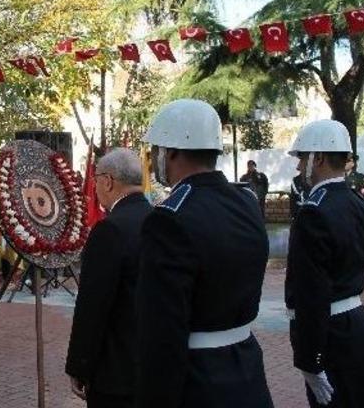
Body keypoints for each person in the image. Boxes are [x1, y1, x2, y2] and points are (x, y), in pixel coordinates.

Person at [136, 99, 273, 408]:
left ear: (170, 152)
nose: (154, 158)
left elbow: (161, 332)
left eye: (156, 149)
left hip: (198, 382)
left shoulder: (168, 219)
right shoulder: (247, 203)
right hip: (247, 369)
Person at [285, 119, 364, 407]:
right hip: (359, 327)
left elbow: (312, 293)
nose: (299, 166)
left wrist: (309, 359)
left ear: (319, 158)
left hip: (332, 335)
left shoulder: (313, 212)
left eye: (303, 158)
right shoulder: (359, 205)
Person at [66, 148, 151, 408]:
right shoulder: (161, 219)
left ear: (108, 181)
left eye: (96, 179)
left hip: (117, 371)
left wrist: (79, 365)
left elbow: (93, 305)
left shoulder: (109, 230)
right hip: (155, 362)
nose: (94, 188)